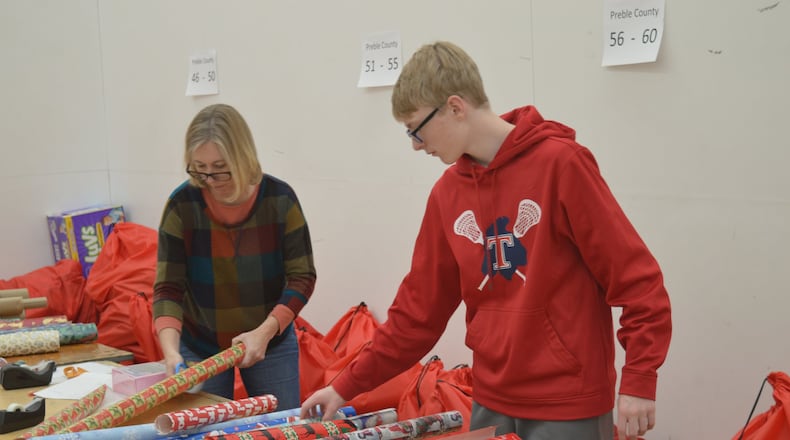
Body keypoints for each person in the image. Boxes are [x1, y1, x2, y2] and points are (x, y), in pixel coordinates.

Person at [300, 41, 671, 440]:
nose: (414, 144)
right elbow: (416, 314)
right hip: (491, 401)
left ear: (456, 107)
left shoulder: (562, 165)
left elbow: (636, 279)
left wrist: (639, 377)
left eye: (416, 129)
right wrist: (345, 385)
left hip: (566, 403)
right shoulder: (447, 194)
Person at [153, 103, 316, 409]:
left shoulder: (279, 200)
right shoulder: (182, 204)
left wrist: (265, 332)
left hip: (270, 341)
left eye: (220, 169)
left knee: (283, 428)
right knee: (205, 429)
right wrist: (171, 352)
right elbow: (168, 288)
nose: (211, 181)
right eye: (199, 170)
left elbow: (302, 277)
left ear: (242, 158)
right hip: (199, 344)